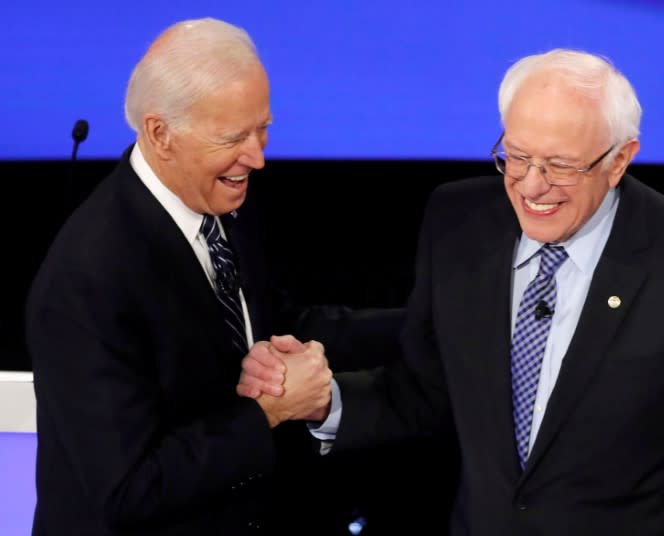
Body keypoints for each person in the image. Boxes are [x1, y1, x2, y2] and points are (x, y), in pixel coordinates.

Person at [240, 48, 664, 534]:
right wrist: (324, 399)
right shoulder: (459, 224)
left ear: (620, 159)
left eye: (561, 166)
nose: (531, 185)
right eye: (517, 155)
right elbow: (426, 391)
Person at [25, 17, 405, 535]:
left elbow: (272, 322)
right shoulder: (90, 276)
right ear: (161, 134)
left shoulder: (212, 203)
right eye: (234, 137)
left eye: (263, 128)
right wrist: (268, 412)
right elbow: (130, 488)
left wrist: (430, 322)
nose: (258, 156)